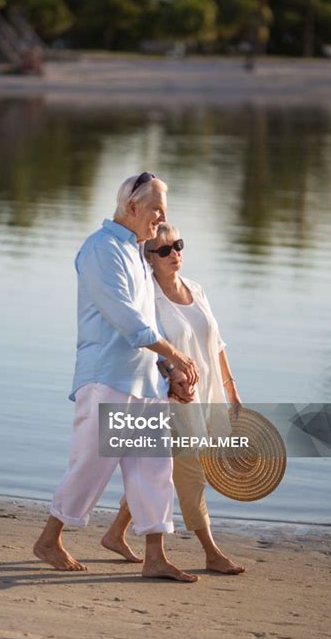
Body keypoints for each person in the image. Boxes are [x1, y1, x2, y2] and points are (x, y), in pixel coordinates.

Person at [33, 173, 200, 582]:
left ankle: (155, 556)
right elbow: (126, 319)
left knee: (153, 468)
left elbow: (147, 324)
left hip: (144, 382)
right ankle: (49, 540)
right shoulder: (100, 249)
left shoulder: (138, 254)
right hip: (106, 377)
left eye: (164, 209)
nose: (162, 218)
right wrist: (176, 353)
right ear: (132, 207)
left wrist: (168, 371)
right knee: (91, 464)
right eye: (157, 208)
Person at [102, 223, 246, 575]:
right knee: (190, 471)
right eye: (164, 249)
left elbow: (218, 343)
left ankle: (116, 532)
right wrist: (171, 377)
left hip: (206, 393)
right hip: (170, 399)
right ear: (147, 258)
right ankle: (211, 552)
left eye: (178, 245)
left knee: (159, 471)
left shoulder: (195, 289)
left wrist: (230, 388)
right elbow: (145, 349)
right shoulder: (147, 299)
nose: (174, 254)